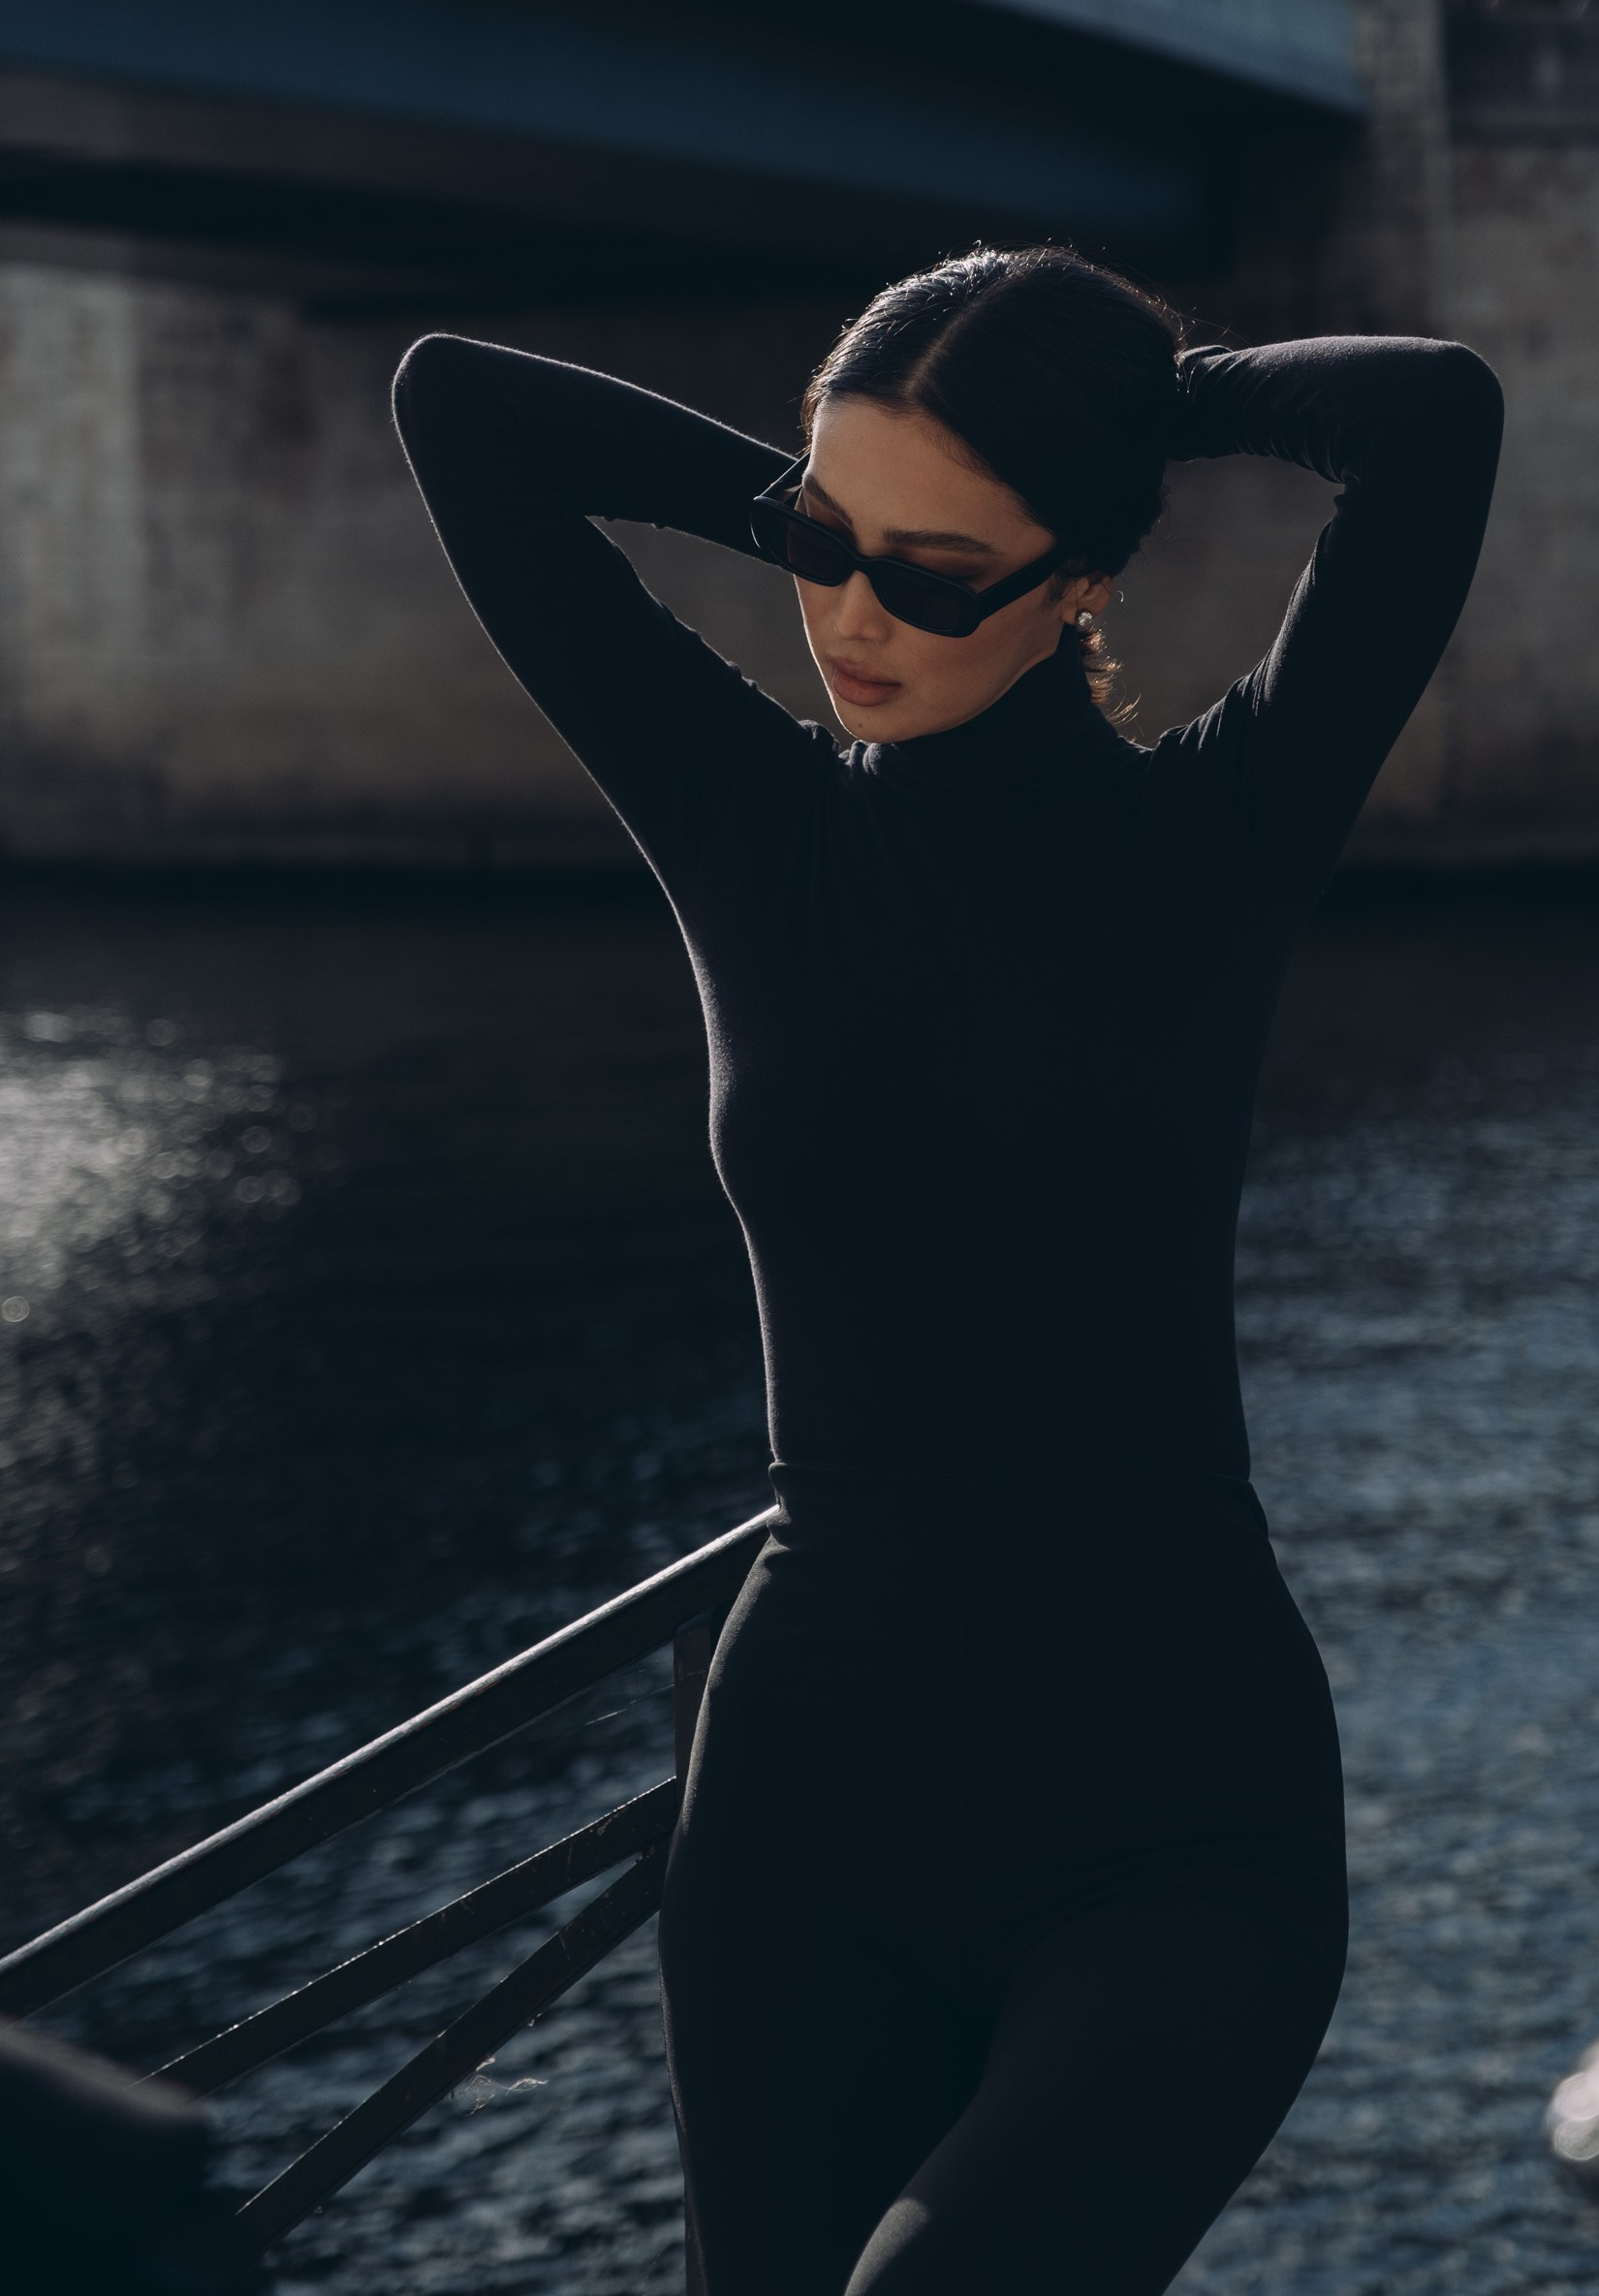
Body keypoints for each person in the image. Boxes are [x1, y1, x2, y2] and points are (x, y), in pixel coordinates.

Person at [392, 248, 1502, 2296]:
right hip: (803, 1808)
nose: (847, 620)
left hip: (1170, 1817)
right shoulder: (751, 819)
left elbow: (1429, 419)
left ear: (1081, 578)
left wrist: (1137, 414)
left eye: (934, 577)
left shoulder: (1220, 834)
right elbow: (459, 404)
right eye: (821, 548)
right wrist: (855, 505)